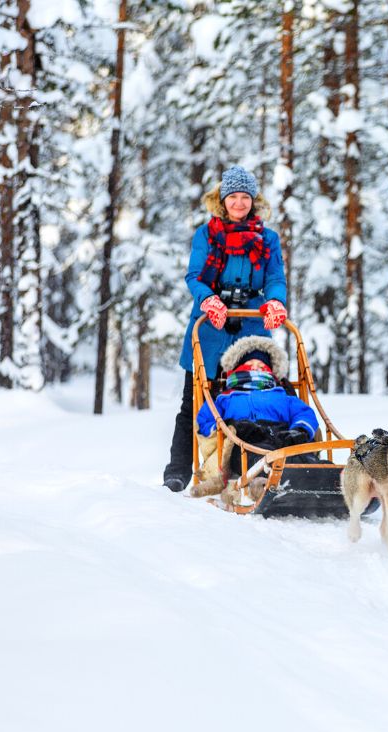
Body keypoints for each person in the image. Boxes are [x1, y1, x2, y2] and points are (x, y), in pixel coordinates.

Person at [162, 165, 289, 492]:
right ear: (222, 200)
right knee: (195, 401)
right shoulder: (207, 234)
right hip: (210, 327)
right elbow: (195, 277)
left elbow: (275, 278)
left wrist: (275, 301)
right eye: (233, 196)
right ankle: (178, 472)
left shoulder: (268, 238)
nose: (239, 203)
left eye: (245, 197)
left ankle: (262, 463)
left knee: (257, 394)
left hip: (251, 324)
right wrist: (209, 300)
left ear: (253, 200)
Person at [191, 336, 319, 498]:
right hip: (244, 441)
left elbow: (304, 413)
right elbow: (205, 420)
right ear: (238, 369)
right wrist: (228, 426)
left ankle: (331, 477)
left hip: (282, 436)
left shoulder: (282, 395)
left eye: (262, 366)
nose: (256, 368)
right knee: (259, 458)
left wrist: (299, 429)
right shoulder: (225, 398)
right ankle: (265, 483)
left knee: (301, 456)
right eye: (250, 365)